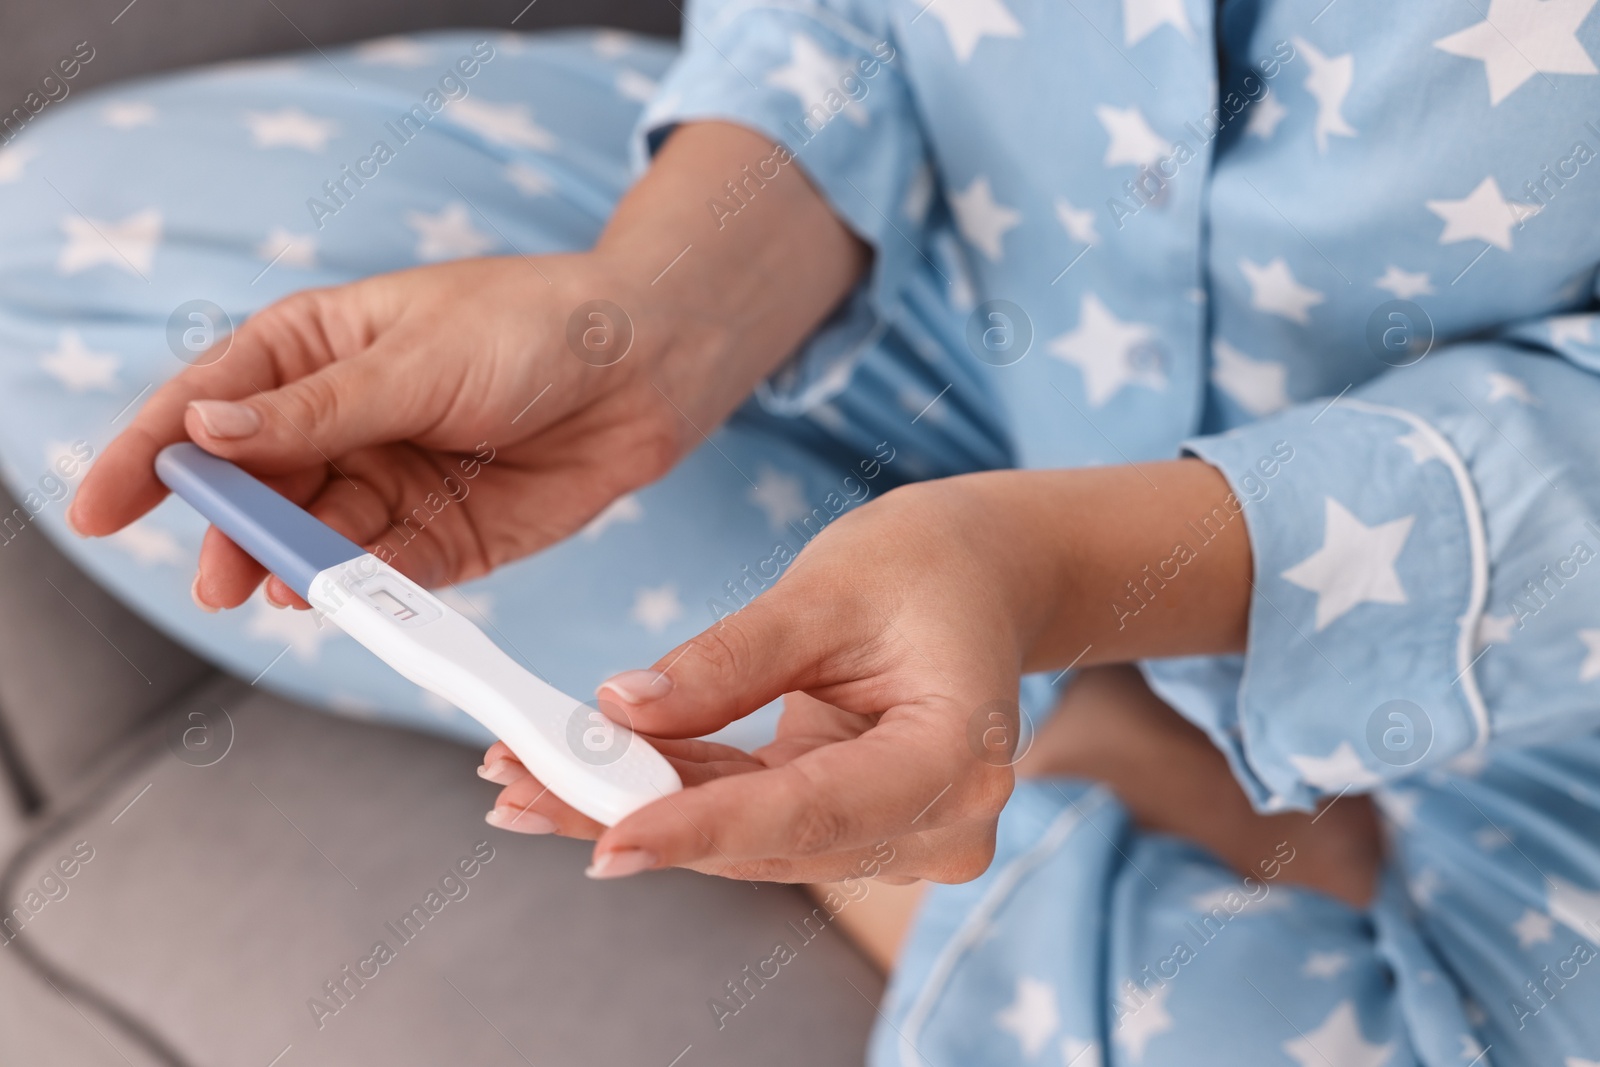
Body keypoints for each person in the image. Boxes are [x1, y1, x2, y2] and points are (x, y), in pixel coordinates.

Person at [6, 1, 1600, 1062]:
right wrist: (663, 303)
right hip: (967, 276)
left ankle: (962, 745)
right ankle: (960, 722)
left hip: (1540, 622)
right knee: (67, 284)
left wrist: (1051, 567)